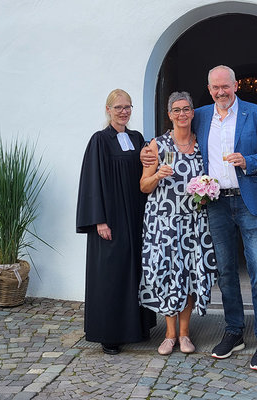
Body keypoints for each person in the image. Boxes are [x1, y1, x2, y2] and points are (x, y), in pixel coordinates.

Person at [192, 65, 257, 371]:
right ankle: (234, 331)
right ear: (209, 89)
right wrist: (149, 152)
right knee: (226, 271)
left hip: (249, 199)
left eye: (225, 86)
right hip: (215, 202)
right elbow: (179, 136)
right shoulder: (200, 115)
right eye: (215, 88)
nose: (221, 92)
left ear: (236, 85)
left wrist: (248, 161)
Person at [76, 89, 156, 355]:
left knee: (135, 271)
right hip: (111, 219)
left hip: (135, 216)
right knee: (111, 275)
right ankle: (109, 334)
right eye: (119, 107)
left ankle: (137, 328)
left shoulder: (137, 138)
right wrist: (99, 220)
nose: (124, 112)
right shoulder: (100, 140)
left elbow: (146, 174)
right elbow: (92, 182)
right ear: (108, 109)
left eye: (128, 107)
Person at [138, 91, 217, 355]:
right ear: (169, 115)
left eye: (186, 109)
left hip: (194, 222)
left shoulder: (202, 144)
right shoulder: (157, 145)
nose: (182, 114)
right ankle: (169, 335)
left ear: (193, 113)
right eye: (176, 110)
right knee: (168, 274)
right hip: (164, 222)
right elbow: (143, 186)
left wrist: (208, 191)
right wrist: (157, 175)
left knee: (191, 275)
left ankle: (184, 334)